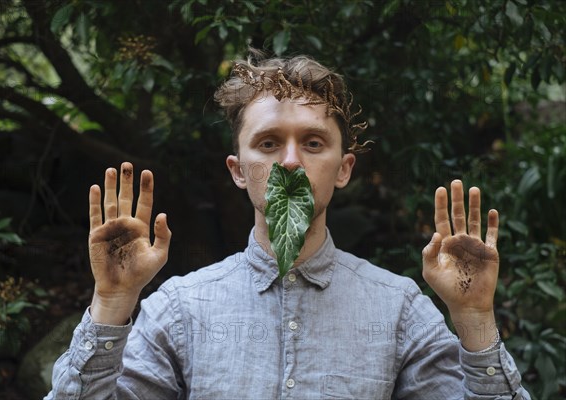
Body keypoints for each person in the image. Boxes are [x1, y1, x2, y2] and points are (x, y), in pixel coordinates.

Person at [46, 52, 530, 399]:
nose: (292, 162)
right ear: (238, 169)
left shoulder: (399, 308)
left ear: (344, 169)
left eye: (314, 143)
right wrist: (111, 303)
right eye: (269, 143)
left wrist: (473, 318)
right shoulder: (180, 311)